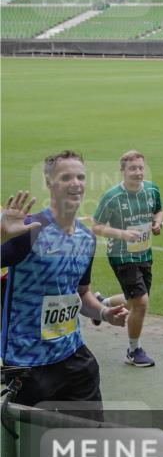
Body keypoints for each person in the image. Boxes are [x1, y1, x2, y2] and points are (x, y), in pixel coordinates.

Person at [1, 152, 128, 410]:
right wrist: (2, 236)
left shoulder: (86, 238)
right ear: (49, 182)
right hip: (29, 361)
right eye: (66, 177)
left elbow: (81, 294)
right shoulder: (28, 231)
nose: (75, 183)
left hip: (73, 354)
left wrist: (104, 313)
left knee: (90, 430)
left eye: (80, 177)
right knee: (33, 435)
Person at [91, 150, 163, 367]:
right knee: (141, 303)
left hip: (144, 253)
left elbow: (159, 210)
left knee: (134, 301)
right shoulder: (112, 197)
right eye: (132, 168)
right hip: (121, 255)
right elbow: (96, 226)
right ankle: (133, 351)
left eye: (141, 167)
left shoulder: (151, 190)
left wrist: (158, 223)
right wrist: (122, 234)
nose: (138, 172)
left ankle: (101, 304)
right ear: (123, 170)